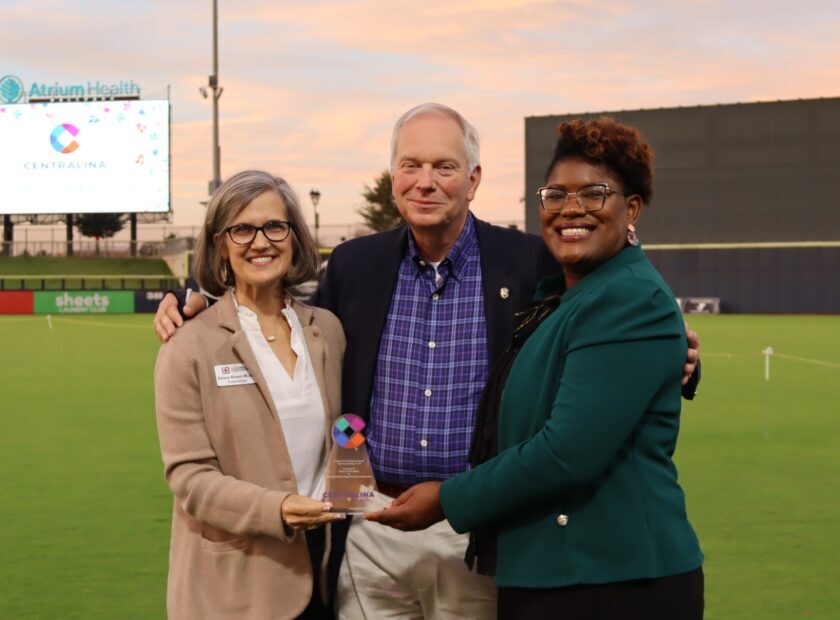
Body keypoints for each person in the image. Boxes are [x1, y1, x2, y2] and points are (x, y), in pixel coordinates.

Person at [153, 104, 701, 619]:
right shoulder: (354, 265)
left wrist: (683, 356)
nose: (426, 181)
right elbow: (286, 336)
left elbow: (610, 318)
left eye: (444, 166)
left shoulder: (531, 259)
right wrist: (201, 303)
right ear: (393, 177)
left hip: (477, 524)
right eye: (410, 165)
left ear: (474, 179)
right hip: (370, 522)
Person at [366, 117, 705, 619]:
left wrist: (447, 499)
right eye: (557, 195)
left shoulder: (625, 297)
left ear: (631, 208)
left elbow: (567, 452)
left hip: (613, 578)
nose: (572, 209)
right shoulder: (558, 293)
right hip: (552, 569)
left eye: (594, 194)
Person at [154, 170, 347, 619]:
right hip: (236, 590)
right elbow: (190, 479)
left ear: (294, 237)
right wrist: (276, 509)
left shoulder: (328, 331)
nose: (260, 241)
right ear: (221, 243)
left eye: (274, 226)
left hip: (324, 574)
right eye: (242, 229)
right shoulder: (189, 344)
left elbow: (346, 434)